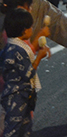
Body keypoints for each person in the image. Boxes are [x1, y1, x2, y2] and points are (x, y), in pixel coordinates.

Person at [0, 8, 51, 137]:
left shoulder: (10, 47)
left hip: (18, 94)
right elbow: (28, 73)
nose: (32, 29)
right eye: (31, 27)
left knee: (25, 125)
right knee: (13, 129)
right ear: (24, 30)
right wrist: (39, 57)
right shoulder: (18, 51)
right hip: (17, 95)